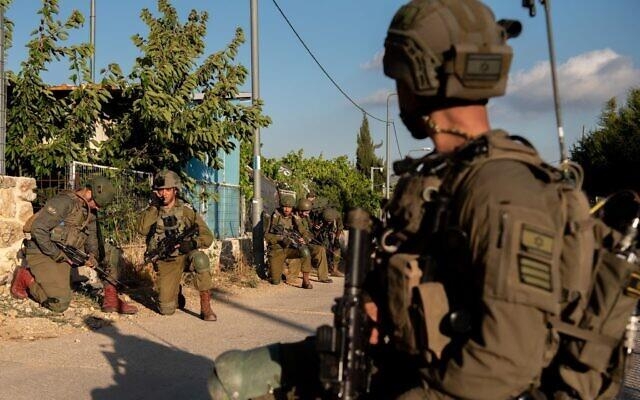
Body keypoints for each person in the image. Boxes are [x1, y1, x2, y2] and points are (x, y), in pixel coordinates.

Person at [208, 0, 600, 398]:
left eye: (398, 74)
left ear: (420, 75)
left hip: (460, 384)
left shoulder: (503, 193)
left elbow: (505, 365)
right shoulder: (444, 177)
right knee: (233, 377)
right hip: (411, 359)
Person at [11, 176, 138, 314]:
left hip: (70, 251)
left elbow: (92, 239)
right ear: (89, 192)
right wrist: (57, 254)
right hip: (43, 251)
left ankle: (111, 299)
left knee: (111, 252)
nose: (97, 207)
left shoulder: (90, 210)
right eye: (97, 203)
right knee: (59, 303)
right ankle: (25, 276)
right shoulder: (64, 202)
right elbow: (38, 229)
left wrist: (93, 256)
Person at [136, 170, 217, 321]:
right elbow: (142, 230)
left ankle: (206, 307)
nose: (163, 194)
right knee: (166, 310)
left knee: (200, 260)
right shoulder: (153, 210)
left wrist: (193, 243)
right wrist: (153, 206)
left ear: (175, 190)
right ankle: (176, 291)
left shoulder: (186, 211)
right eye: (160, 190)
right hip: (167, 262)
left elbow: (208, 236)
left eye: (167, 189)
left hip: (186, 256)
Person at [264, 195, 314, 289]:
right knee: (275, 281)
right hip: (277, 250)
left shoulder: (295, 218)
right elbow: (267, 236)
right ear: (281, 206)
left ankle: (306, 281)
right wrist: (281, 238)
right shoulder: (274, 217)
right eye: (285, 207)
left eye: (289, 207)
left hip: (290, 248)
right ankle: (276, 271)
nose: (287, 209)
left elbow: (305, 233)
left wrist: (304, 239)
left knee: (305, 251)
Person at [295, 198, 332, 283]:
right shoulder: (294, 218)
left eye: (308, 212)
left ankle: (323, 276)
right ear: (300, 210)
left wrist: (316, 228)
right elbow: (300, 230)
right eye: (306, 212)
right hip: (297, 243)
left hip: (306, 242)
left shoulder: (305, 217)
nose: (307, 214)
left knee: (321, 249)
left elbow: (309, 231)